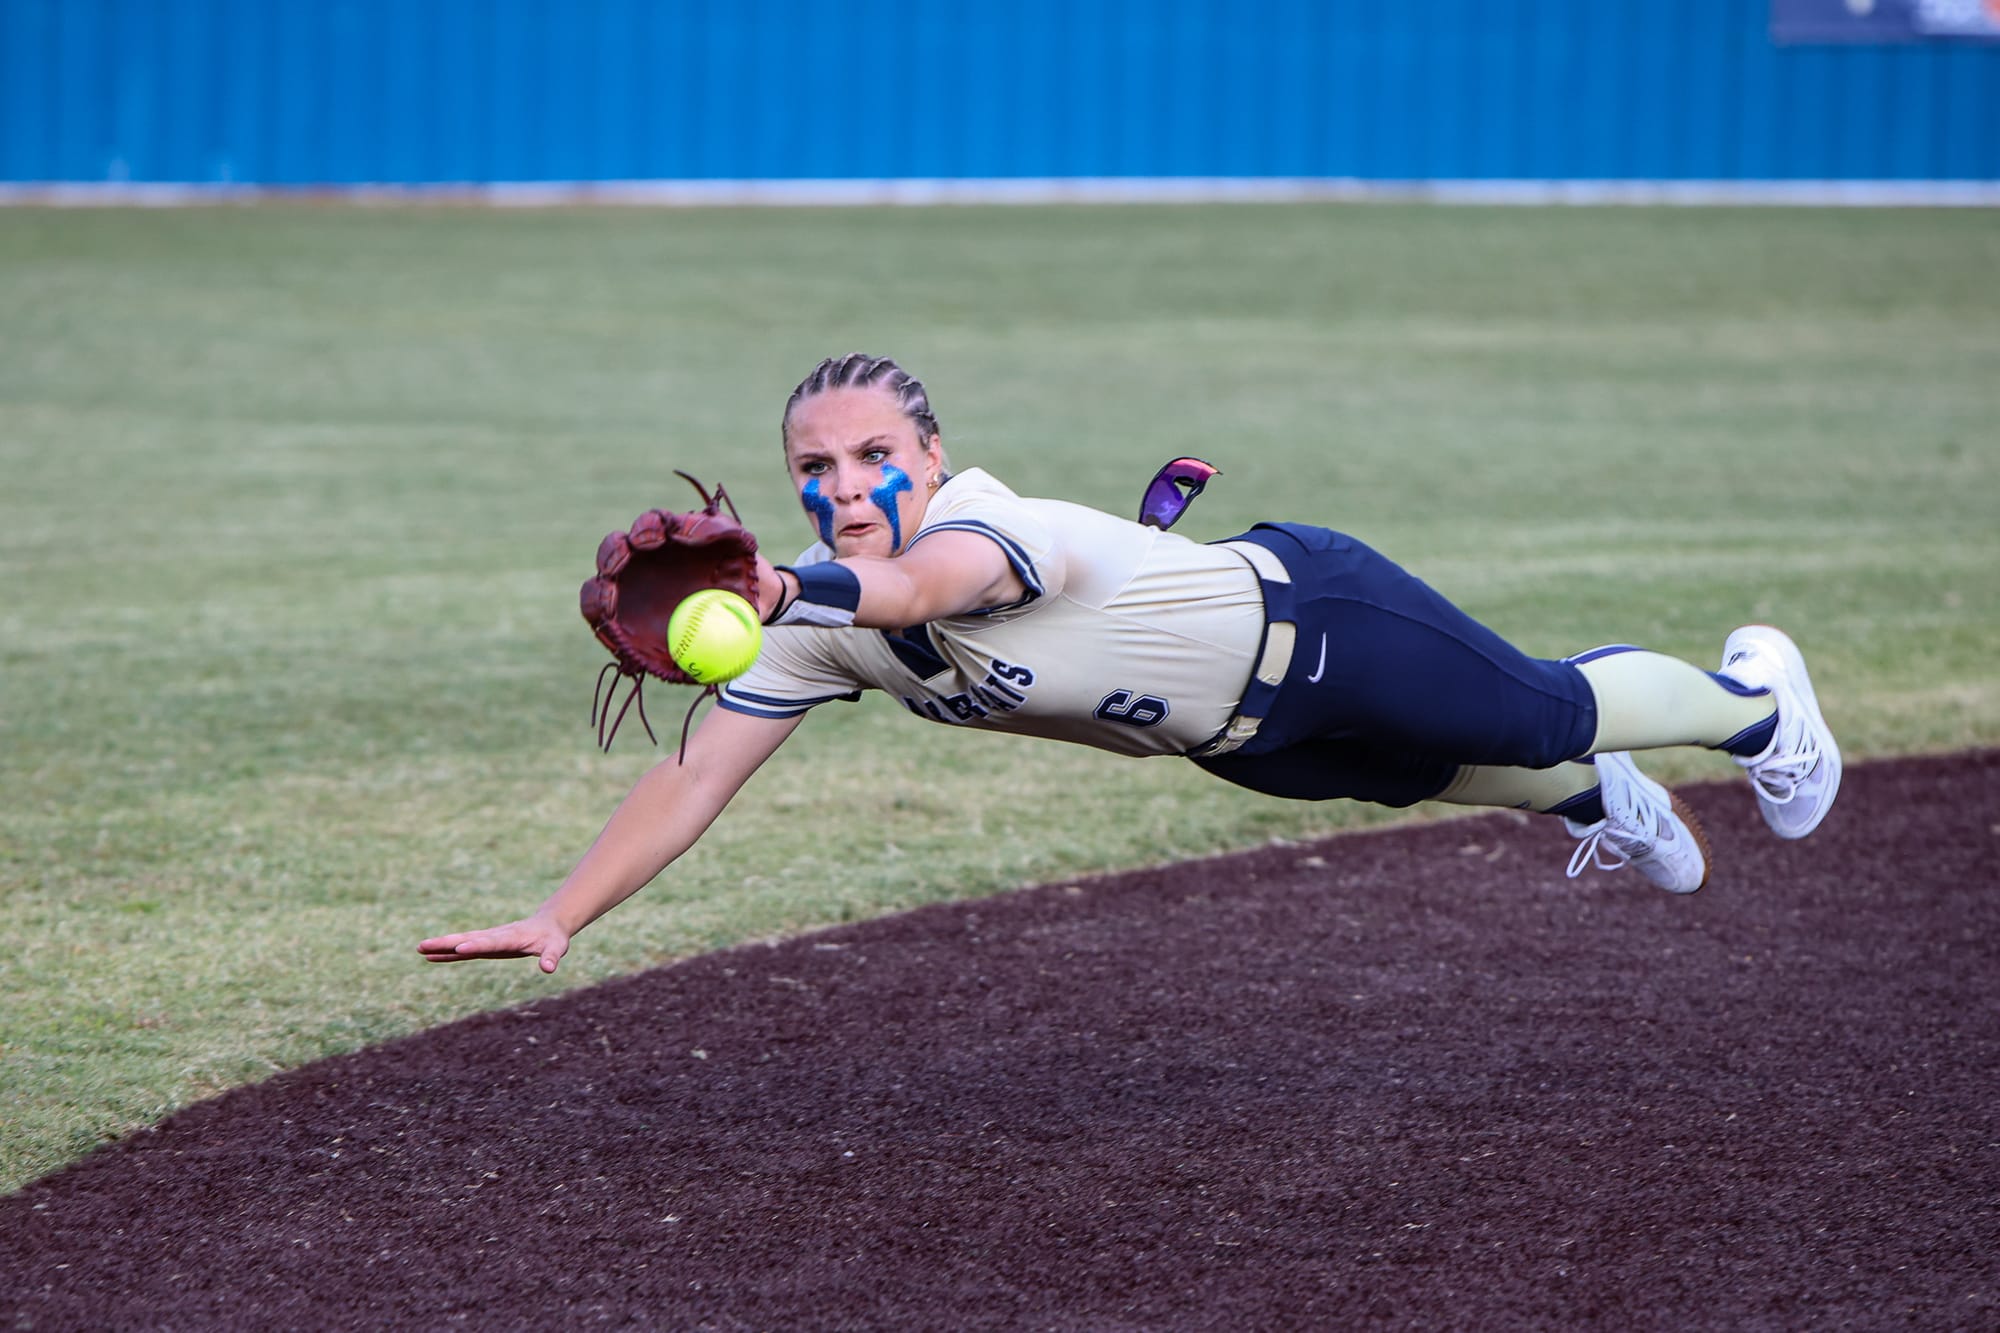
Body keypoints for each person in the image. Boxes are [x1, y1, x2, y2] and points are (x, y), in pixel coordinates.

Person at [420, 354, 1840, 974]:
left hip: (1323, 617)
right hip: (1237, 738)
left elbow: (927, 584)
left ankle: (1760, 703)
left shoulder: (981, 521)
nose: (843, 477)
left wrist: (789, 579)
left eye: (873, 453)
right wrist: (562, 912)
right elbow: (694, 776)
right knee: (1451, 778)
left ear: (929, 453)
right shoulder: (808, 625)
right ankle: (1603, 803)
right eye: (813, 464)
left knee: (1544, 706)